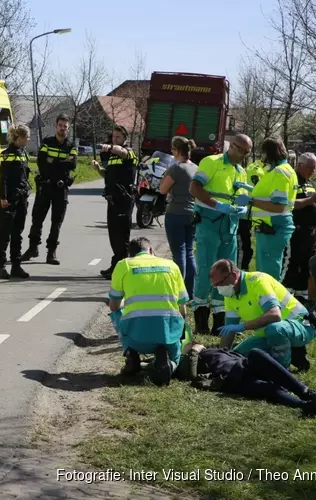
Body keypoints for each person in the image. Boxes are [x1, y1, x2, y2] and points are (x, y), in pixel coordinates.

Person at [189, 134, 251, 335]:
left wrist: (242, 208)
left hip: (229, 226)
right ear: (231, 146)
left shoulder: (241, 171)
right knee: (206, 268)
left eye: (247, 152)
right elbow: (195, 187)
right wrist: (217, 205)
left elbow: (240, 196)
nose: (243, 155)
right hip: (209, 222)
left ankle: (219, 318)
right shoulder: (211, 162)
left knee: (227, 271)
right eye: (241, 150)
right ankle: (200, 316)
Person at [108, 236, 189, 386]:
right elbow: (182, 307)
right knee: (177, 352)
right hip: (168, 334)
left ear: (130, 254)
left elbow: (114, 306)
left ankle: (130, 353)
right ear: (151, 250)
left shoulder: (124, 265)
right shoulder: (171, 265)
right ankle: (170, 364)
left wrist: (128, 301)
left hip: (136, 336)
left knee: (114, 314)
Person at [210, 259, 316, 371]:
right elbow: (228, 333)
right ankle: (289, 351)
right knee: (237, 355)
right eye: (215, 286)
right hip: (267, 333)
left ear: (234, 275)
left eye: (220, 283)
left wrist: (242, 326)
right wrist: (220, 357)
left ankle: (282, 370)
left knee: (275, 329)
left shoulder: (258, 281)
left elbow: (275, 315)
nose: (219, 289)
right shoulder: (230, 295)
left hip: (301, 325)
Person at [178, 342, 316, 417]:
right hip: (232, 377)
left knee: (256, 353)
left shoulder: (215, 349)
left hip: (245, 365)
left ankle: (305, 392)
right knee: (268, 389)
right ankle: (307, 406)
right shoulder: (189, 359)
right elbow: (191, 374)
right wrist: (194, 351)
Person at [235, 138, 299, 281]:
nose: (262, 156)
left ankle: (272, 301)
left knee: (269, 271)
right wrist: (249, 189)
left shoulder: (279, 173)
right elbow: (268, 195)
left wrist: (251, 201)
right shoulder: (280, 170)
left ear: (269, 153)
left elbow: (278, 205)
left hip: (274, 226)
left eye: (263, 153)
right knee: (263, 270)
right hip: (268, 227)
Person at [21, 113, 77, 265]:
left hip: (61, 188)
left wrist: (52, 161)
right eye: (60, 126)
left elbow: (72, 164)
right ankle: (33, 248)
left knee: (56, 222)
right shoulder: (47, 142)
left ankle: (51, 252)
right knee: (37, 219)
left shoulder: (71, 146)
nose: (62, 129)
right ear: (56, 126)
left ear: (68, 128)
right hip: (45, 186)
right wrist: (61, 161)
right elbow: (41, 162)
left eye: (65, 126)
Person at [91, 126, 138, 279]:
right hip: (112, 199)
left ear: (125, 139)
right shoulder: (111, 157)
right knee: (113, 235)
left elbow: (123, 152)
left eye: (118, 137)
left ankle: (121, 269)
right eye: (113, 137)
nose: (115, 139)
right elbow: (108, 175)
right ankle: (115, 265)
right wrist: (98, 168)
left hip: (124, 199)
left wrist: (111, 147)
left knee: (121, 236)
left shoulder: (130, 152)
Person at [283, 153, 316, 300]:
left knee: (306, 265)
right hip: (297, 230)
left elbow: (312, 204)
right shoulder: (293, 180)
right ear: (300, 165)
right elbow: (290, 204)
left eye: (315, 168)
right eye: (310, 167)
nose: (313, 171)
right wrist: (311, 200)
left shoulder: (309, 183)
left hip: (310, 232)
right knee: (292, 265)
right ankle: (287, 299)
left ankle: (301, 298)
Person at [159, 136, 198, 299]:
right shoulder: (196, 168)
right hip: (192, 213)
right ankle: (191, 290)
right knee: (189, 252)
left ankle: (178, 291)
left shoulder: (176, 169)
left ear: (177, 151)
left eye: (173, 150)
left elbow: (162, 189)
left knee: (178, 253)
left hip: (175, 212)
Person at [0, 124, 32, 279]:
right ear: (19, 138)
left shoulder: (23, 153)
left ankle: (16, 265)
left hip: (21, 197)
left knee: (18, 233)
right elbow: (2, 178)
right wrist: (3, 198)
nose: (28, 140)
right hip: (9, 200)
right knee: (5, 233)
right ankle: (0, 266)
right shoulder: (8, 154)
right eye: (27, 137)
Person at [237, 157, 266, 270]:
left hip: (249, 212)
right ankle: (240, 272)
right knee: (244, 248)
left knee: (246, 248)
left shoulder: (256, 167)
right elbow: (259, 191)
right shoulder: (257, 170)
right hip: (246, 213)